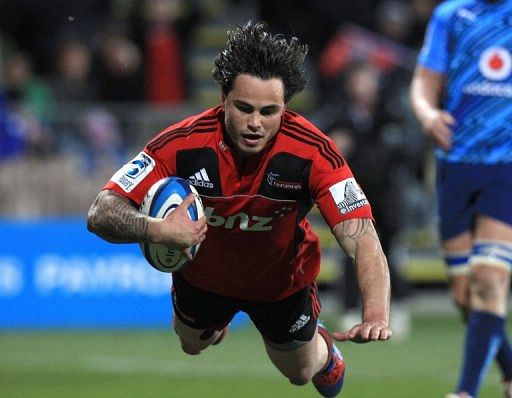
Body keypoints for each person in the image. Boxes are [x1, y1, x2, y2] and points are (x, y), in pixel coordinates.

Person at [87, 21, 391, 397]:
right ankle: (216, 323)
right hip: (203, 281)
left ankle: (327, 353)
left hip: (281, 285)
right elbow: (101, 211)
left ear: (286, 107)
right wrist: (156, 230)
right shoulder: (180, 144)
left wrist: (375, 313)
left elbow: (361, 236)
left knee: (299, 374)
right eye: (243, 108)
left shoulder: (315, 152)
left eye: (269, 111)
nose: (254, 124)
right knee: (191, 345)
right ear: (223, 97)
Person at [410, 1, 512, 397]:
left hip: (504, 166)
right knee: (464, 294)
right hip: (455, 164)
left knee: (490, 278)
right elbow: (424, 81)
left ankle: (465, 391)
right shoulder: (451, 15)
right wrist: (426, 114)